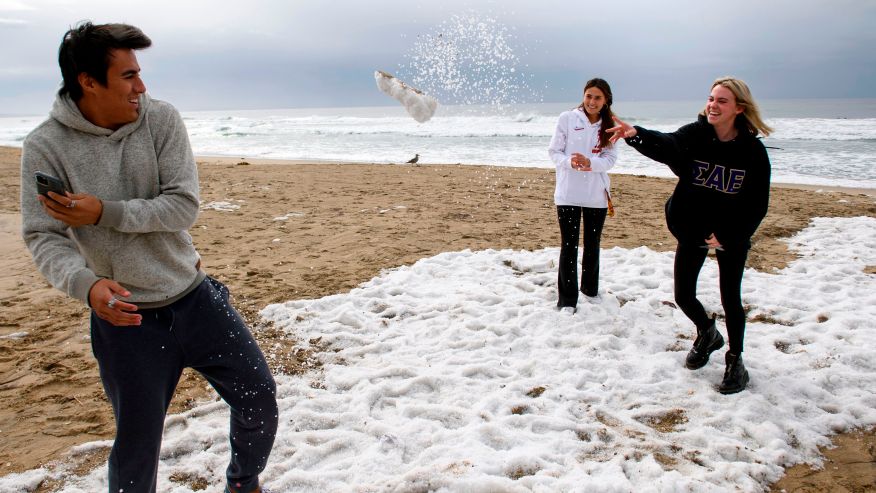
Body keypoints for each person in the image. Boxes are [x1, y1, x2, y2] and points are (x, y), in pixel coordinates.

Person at [20, 22, 277, 492]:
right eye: (128, 76)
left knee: (259, 398)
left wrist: (104, 212)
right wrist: (87, 285)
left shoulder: (161, 120)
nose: (141, 86)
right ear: (88, 81)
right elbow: (43, 235)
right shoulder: (45, 146)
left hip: (195, 297)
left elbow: (184, 205)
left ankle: (244, 483)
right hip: (126, 321)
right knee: (136, 450)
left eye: (140, 73)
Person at [608, 76, 772, 394]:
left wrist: (728, 235)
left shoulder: (752, 152)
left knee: (731, 299)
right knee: (683, 295)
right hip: (693, 228)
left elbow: (757, 204)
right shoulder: (696, 135)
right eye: (711, 98)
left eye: (722, 101)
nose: (713, 105)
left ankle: (735, 361)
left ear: (739, 108)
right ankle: (708, 332)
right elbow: (668, 144)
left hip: (731, 236)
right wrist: (636, 135)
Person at [548, 78, 619, 312]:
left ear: (606, 100)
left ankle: (590, 290)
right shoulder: (567, 118)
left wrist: (591, 163)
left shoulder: (609, 125)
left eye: (597, 97)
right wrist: (570, 162)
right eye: (589, 96)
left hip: (596, 194)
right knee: (569, 245)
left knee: (592, 244)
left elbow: (610, 160)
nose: (592, 101)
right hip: (568, 192)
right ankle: (567, 300)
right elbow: (554, 152)